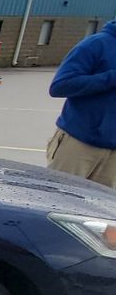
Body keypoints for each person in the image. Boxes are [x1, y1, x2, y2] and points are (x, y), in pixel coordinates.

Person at [47, 19, 116, 187]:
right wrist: (111, 77)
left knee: (100, 211)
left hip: (113, 155)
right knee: (58, 201)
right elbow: (60, 86)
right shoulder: (96, 44)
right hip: (78, 144)